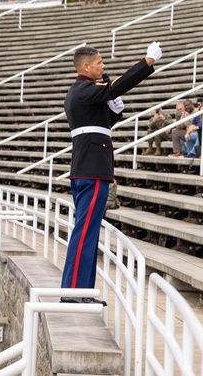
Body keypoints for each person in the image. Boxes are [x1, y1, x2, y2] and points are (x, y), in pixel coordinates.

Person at [62, 42, 161, 299]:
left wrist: (114, 113)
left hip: (89, 168)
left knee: (90, 232)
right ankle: (73, 290)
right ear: (86, 66)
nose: (103, 66)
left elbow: (98, 123)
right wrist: (146, 62)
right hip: (92, 170)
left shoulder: (81, 92)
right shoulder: (84, 89)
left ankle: (81, 289)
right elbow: (116, 85)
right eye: (99, 63)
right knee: (85, 231)